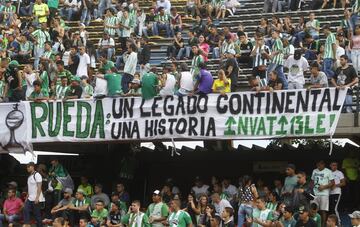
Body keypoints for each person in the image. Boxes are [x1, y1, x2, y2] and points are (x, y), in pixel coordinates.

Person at [311, 160, 335, 227]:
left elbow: (333, 182)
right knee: (313, 209)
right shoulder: (314, 171)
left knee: (323, 210)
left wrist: (324, 187)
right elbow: (312, 181)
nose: (318, 166)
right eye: (317, 165)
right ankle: (314, 224)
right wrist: (311, 190)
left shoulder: (328, 171)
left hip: (324, 193)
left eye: (320, 165)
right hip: (315, 193)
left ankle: (323, 225)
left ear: (323, 164)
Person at [23, 162, 45, 227]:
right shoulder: (29, 176)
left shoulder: (37, 175)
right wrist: (26, 198)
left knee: (37, 215)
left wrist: (37, 198)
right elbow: (30, 189)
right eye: (27, 167)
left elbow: (39, 187)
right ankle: (27, 224)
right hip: (30, 198)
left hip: (36, 198)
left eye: (28, 167)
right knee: (25, 209)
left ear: (32, 167)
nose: (27, 168)